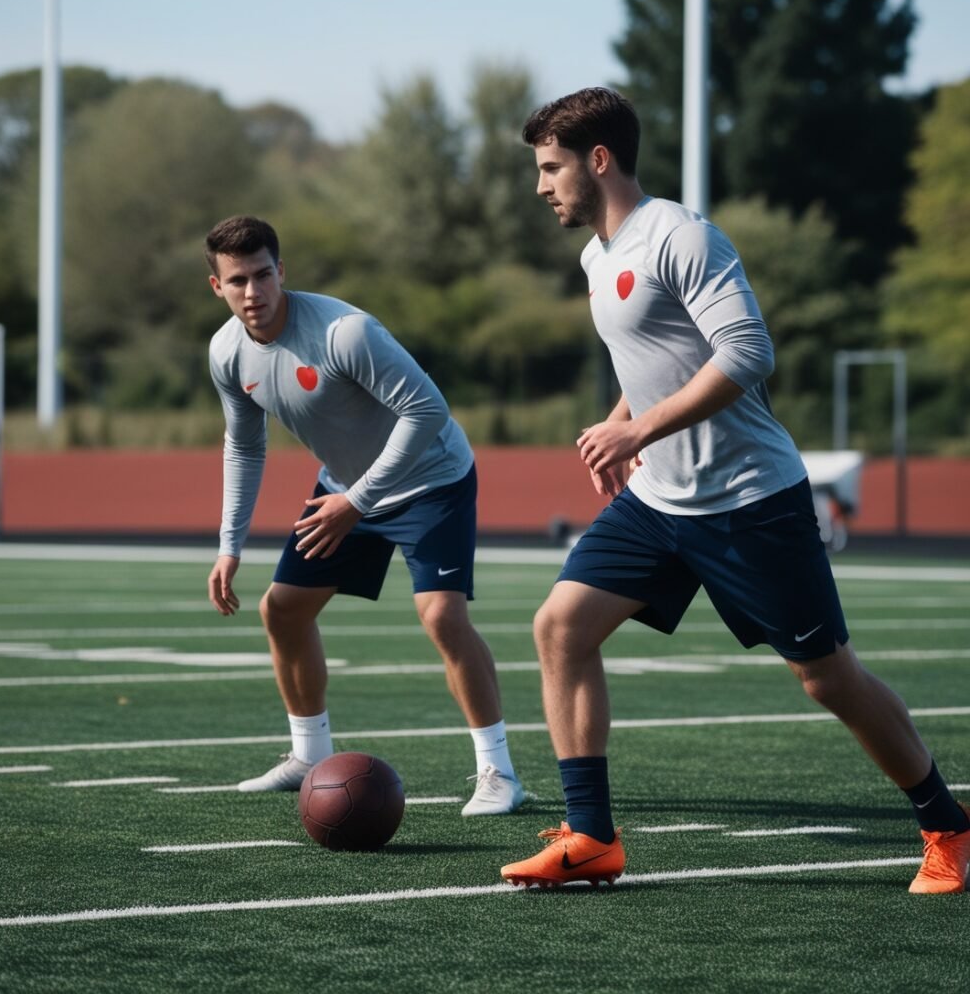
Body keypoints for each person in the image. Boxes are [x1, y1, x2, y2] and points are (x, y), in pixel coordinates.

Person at [500, 88, 969, 892]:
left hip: (752, 501)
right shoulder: (595, 256)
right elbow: (649, 357)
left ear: (599, 160)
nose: (542, 186)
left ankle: (947, 826)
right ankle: (591, 836)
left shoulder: (681, 236)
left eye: (551, 168)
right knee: (560, 627)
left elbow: (747, 354)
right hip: (659, 501)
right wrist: (621, 423)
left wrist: (635, 433)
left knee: (827, 679)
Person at [204, 215, 523, 817]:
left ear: (282, 272)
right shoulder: (226, 352)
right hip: (347, 489)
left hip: (431, 480)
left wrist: (359, 501)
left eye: (264, 275)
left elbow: (427, 411)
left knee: (441, 616)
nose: (254, 292)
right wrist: (230, 545)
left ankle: (498, 772)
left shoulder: (346, 333)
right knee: (284, 608)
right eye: (238, 280)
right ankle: (307, 756)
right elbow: (245, 445)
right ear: (216, 286)